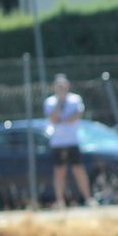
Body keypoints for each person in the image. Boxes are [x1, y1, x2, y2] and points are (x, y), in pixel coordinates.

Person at [44, 75, 90, 209]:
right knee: (59, 171)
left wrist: (61, 121)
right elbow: (53, 118)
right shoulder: (50, 101)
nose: (61, 88)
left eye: (63, 86)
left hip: (72, 141)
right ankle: (60, 201)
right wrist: (60, 101)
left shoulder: (75, 99)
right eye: (58, 86)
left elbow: (76, 116)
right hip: (57, 143)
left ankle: (88, 198)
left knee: (78, 169)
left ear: (68, 86)